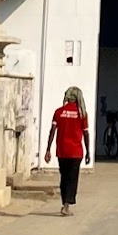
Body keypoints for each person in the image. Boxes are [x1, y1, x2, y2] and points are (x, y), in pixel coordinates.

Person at [44, 87, 90, 216]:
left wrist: (48, 149)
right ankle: (66, 205)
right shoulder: (82, 114)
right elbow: (86, 134)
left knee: (64, 178)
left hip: (62, 151)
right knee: (72, 178)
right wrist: (88, 152)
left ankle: (64, 202)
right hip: (76, 152)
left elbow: (52, 131)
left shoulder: (58, 112)